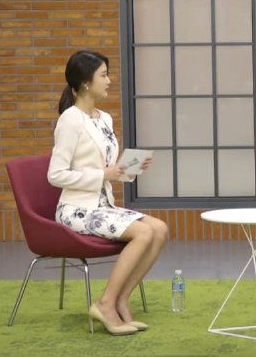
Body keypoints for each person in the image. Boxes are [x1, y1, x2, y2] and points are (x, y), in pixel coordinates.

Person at [48, 50, 168, 336]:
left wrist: (131, 168)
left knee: (160, 229)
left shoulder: (105, 119)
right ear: (85, 83)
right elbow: (56, 175)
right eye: (103, 75)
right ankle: (104, 304)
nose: (109, 80)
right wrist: (104, 174)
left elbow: (108, 169)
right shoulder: (70, 120)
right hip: (76, 210)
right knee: (143, 233)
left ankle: (121, 300)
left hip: (103, 206)